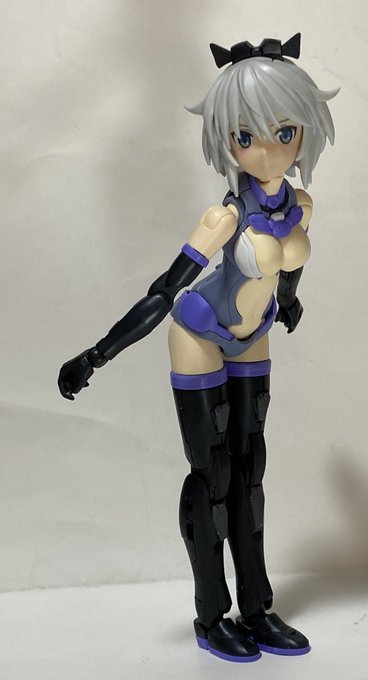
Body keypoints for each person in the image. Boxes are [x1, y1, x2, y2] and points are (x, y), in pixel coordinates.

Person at [58, 33, 337, 663]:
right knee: (212, 476)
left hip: (253, 331)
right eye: (245, 136)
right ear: (226, 140)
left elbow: (290, 264)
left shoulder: (301, 205)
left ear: (304, 130)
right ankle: (212, 615)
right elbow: (165, 291)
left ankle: (256, 607)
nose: (267, 149)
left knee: (250, 471)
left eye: (284, 131)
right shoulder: (225, 218)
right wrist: (96, 355)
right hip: (199, 329)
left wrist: (288, 299)